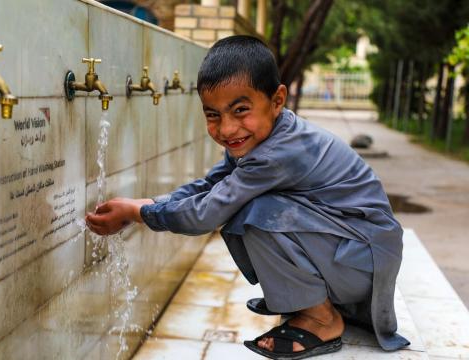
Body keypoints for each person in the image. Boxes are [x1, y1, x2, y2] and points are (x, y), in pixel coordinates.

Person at [85, 35, 409, 359]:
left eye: (240, 110)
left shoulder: (277, 153)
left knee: (255, 212)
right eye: (213, 115)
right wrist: (145, 206)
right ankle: (311, 302)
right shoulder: (267, 137)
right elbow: (210, 185)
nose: (226, 129)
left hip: (364, 261)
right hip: (353, 250)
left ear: (277, 99)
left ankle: (322, 318)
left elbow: (207, 214)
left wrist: (139, 214)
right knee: (246, 205)